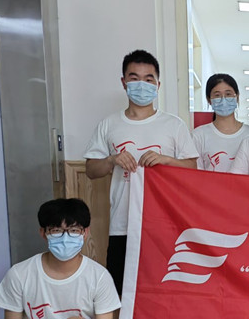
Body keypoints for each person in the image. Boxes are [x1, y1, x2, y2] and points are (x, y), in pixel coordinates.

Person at [84, 49, 198, 295]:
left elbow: (192, 167)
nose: (141, 85)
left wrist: (166, 160)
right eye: (134, 78)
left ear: (158, 85)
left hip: (163, 224)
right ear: (123, 82)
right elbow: (91, 170)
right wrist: (112, 160)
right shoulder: (109, 124)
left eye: (148, 79)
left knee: (162, 293)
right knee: (121, 293)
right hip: (122, 225)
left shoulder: (174, 125)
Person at [193, 73, 249, 172]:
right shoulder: (198, 135)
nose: (223, 99)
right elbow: (196, 174)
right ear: (209, 100)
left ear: (237, 97)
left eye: (228, 94)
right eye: (217, 95)